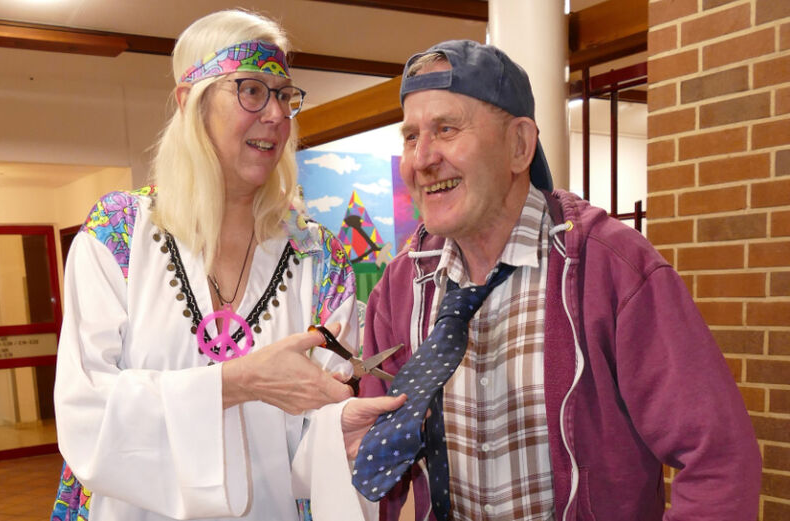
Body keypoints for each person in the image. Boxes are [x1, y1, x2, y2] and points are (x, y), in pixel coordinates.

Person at [358, 40, 761, 521]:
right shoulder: (402, 286)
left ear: (519, 145)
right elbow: (374, 464)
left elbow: (718, 461)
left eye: (446, 129)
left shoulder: (613, 270)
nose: (421, 159)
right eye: (410, 136)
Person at [52, 9, 402, 521]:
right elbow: (86, 411)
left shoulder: (318, 258)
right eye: (252, 90)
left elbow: (317, 422)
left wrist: (341, 430)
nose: (277, 114)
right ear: (189, 102)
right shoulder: (118, 235)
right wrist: (237, 382)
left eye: (284, 94)